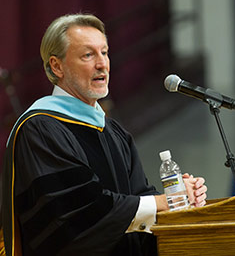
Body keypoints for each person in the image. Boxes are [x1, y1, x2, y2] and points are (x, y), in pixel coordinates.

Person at [1, 13, 207, 256]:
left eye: (105, 52)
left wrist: (179, 198)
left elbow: (138, 197)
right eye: (88, 55)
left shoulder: (113, 132)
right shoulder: (40, 129)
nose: (102, 64)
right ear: (57, 66)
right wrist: (163, 202)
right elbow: (79, 214)